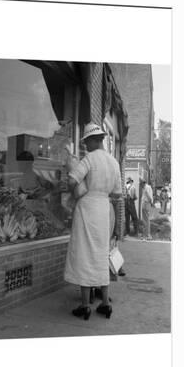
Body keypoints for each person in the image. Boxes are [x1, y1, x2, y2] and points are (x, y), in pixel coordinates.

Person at [63, 122, 122, 320]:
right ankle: (105, 304)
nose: (86, 145)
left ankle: (85, 305)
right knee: (100, 254)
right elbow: (117, 193)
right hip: (104, 209)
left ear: (93, 140)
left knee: (85, 254)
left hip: (87, 209)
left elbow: (72, 180)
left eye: (87, 141)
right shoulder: (113, 162)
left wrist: (75, 189)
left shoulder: (88, 159)